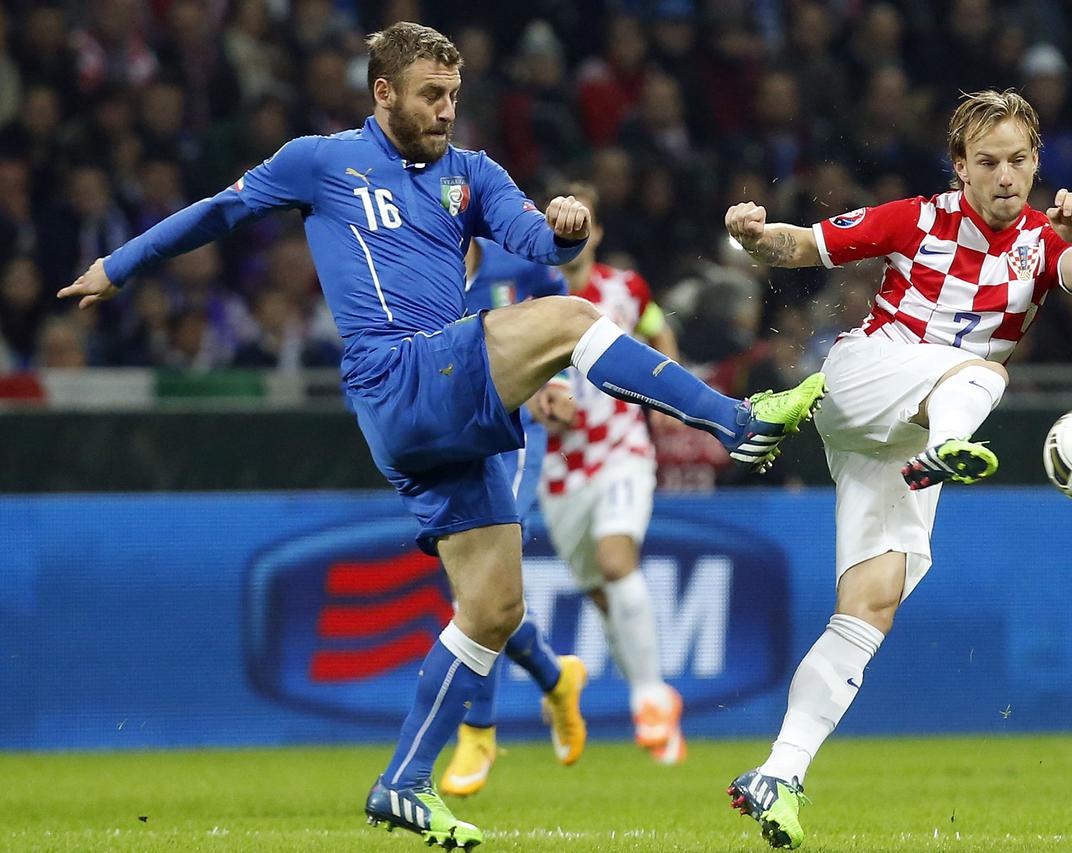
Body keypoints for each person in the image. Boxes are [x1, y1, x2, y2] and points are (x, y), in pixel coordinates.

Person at [58, 23, 827, 849]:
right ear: (382, 91)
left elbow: (537, 241)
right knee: (571, 318)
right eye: (431, 94)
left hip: (440, 411)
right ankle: (734, 421)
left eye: (454, 95)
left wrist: (566, 227)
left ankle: (404, 782)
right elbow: (218, 211)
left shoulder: (474, 174)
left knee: (494, 609)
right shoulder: (320, 162)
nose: (445, 110)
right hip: (396, 372)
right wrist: (119, 265)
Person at [721, 89, 1072, 849]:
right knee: (984, 376)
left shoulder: (1045, 237)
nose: (1006, 176)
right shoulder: (919, 217)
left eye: (1019, 161)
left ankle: (779, 770)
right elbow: (801, 245)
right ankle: (820, 400)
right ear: (960, 166)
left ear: (1036, 163)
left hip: (902, 437)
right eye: (989, 162)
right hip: (868, 377)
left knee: (870, 605)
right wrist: (752, 235)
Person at [539, 183, 687, 765]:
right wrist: (537, 405)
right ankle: (655, 700)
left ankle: (649, 698)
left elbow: (656, 333)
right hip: (558, 468)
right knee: (605, 599)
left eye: (584, 225)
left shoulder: (626, 290)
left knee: (615, 559)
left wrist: (672, 392)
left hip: (623, 448)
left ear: (595, 233)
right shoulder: (528, 296)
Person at [437, 235, 587, 798]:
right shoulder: (415, 274)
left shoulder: (519, 266)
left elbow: (557, 303)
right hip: (449, 445)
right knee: (484, 597)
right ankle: (557, 676)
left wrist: (558, 379)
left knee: (478, 592)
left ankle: (478, 733)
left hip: (512, 440)